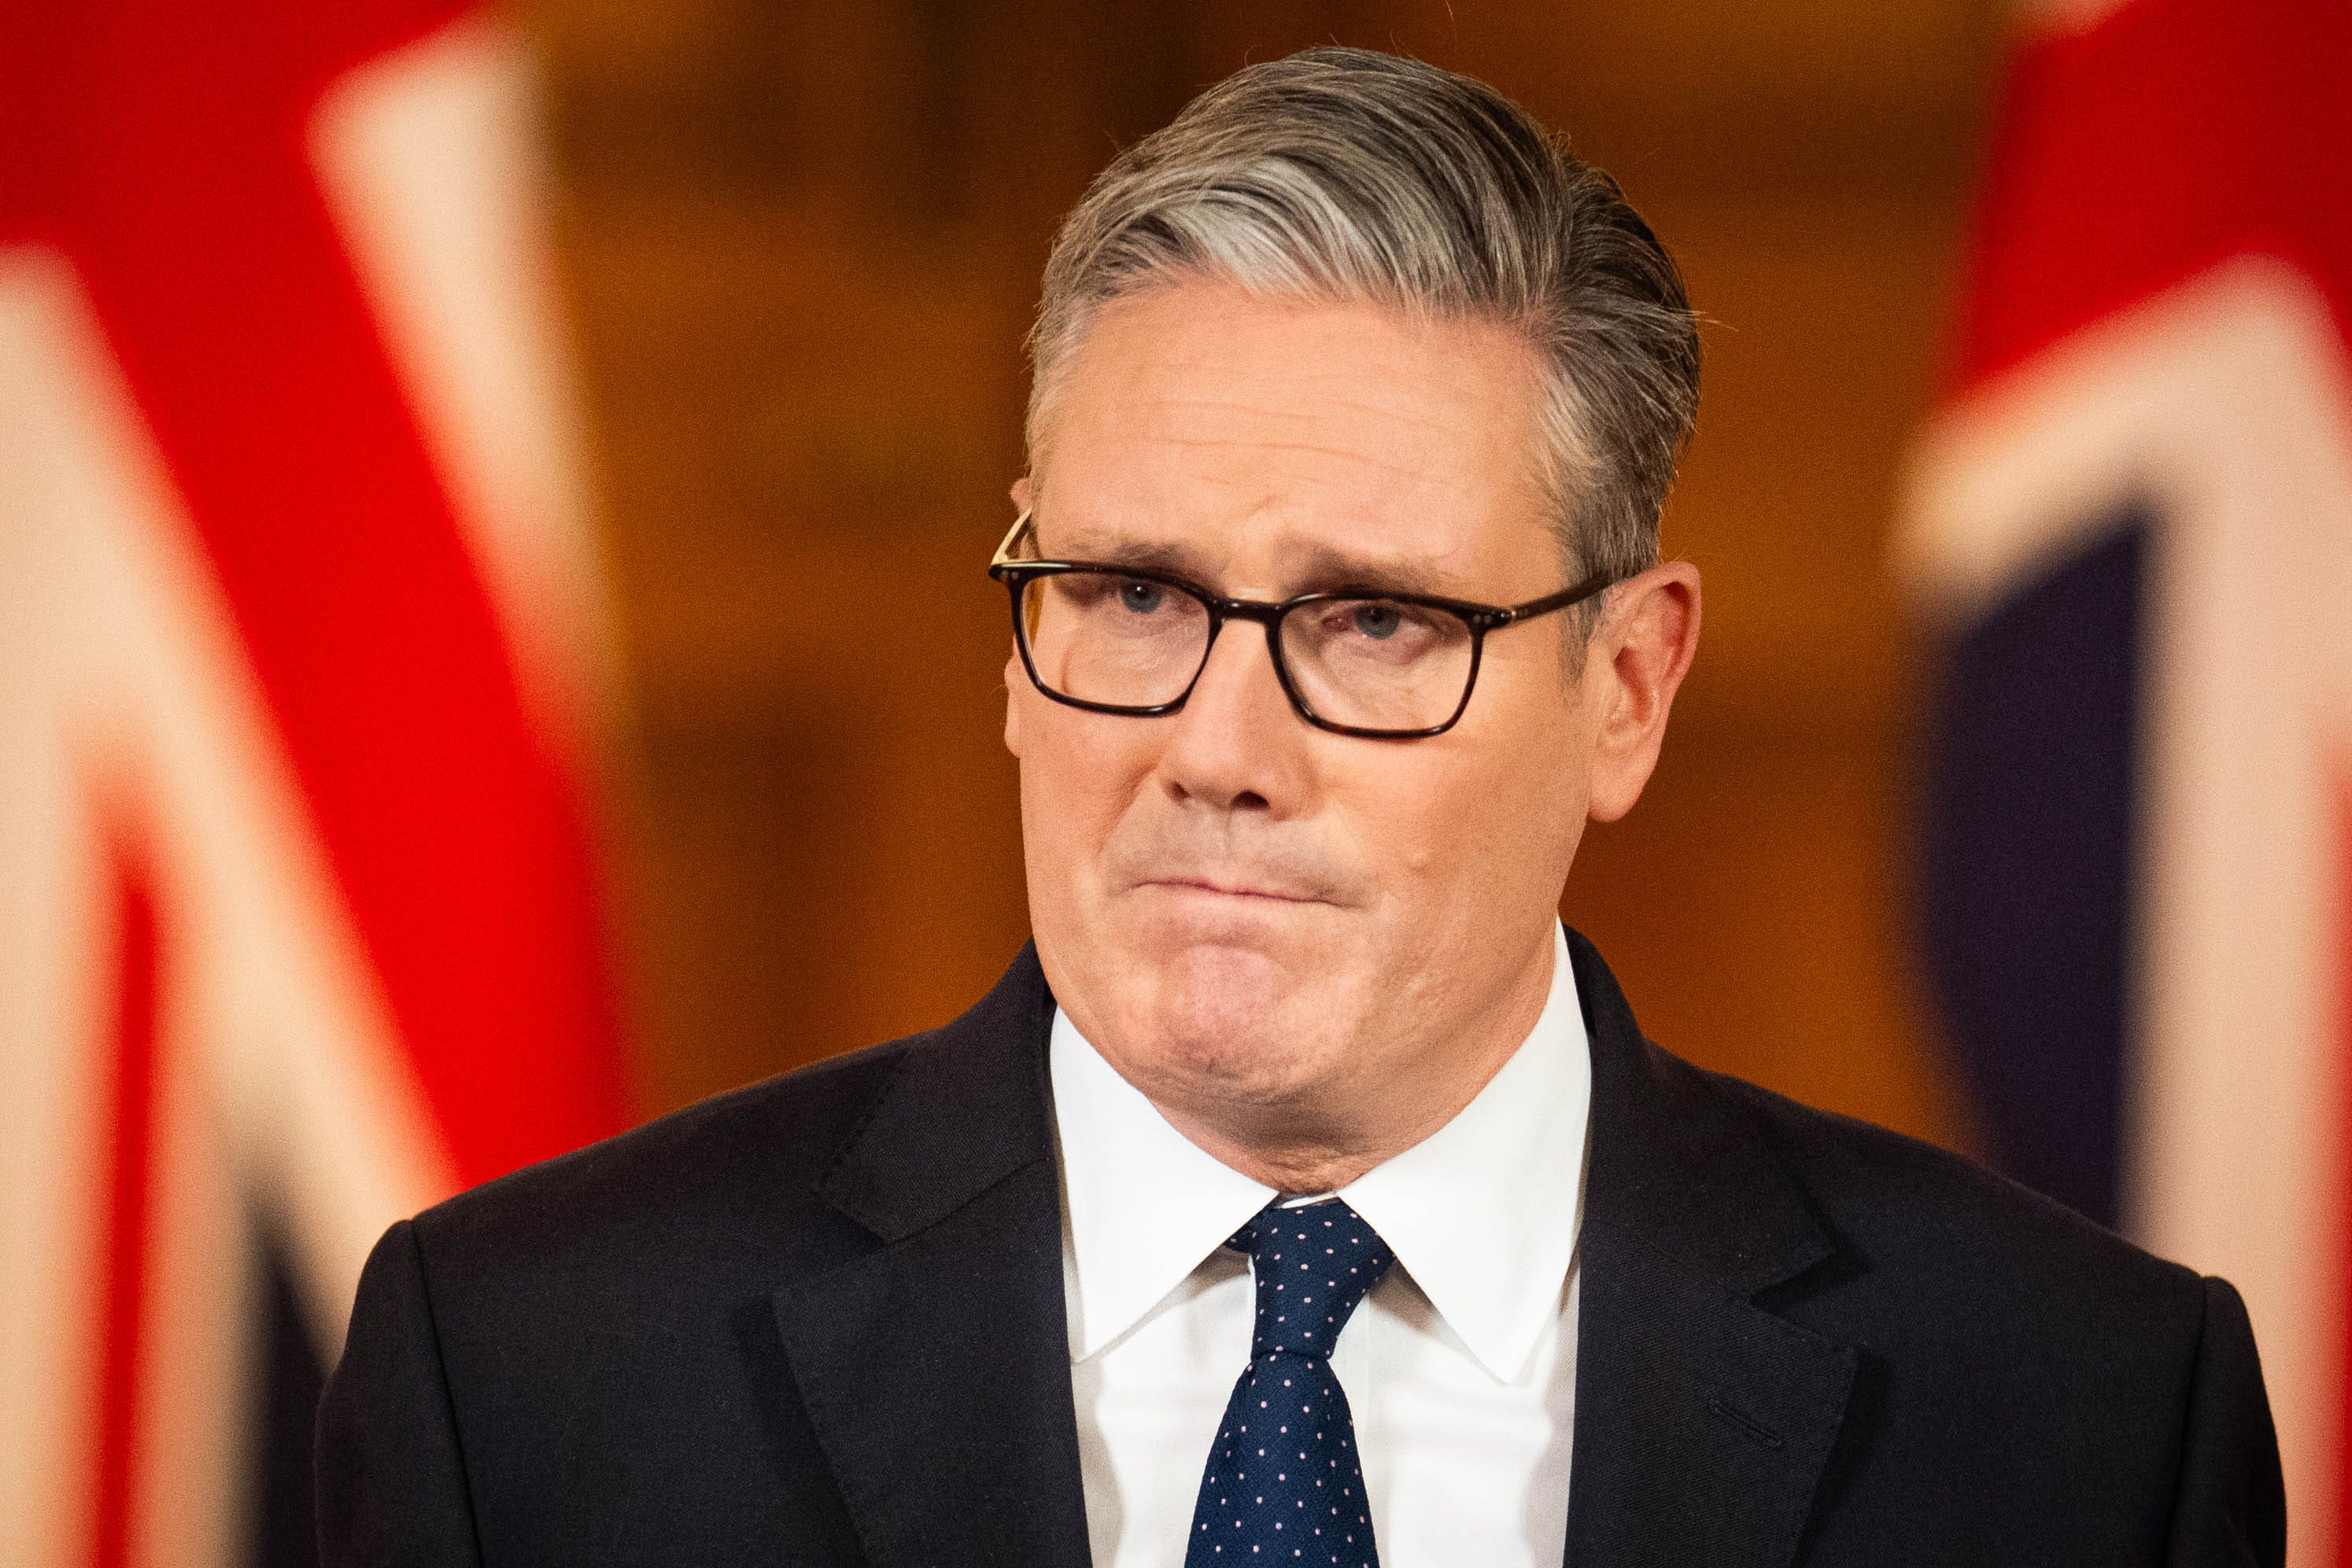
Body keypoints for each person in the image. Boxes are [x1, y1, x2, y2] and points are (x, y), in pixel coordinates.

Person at [316, 46, 2284, 1568]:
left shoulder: (2084, 1417)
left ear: (1625, 688)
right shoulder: (529, 1377)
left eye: (1374, 622)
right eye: (1131, 595)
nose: (1217, 746)